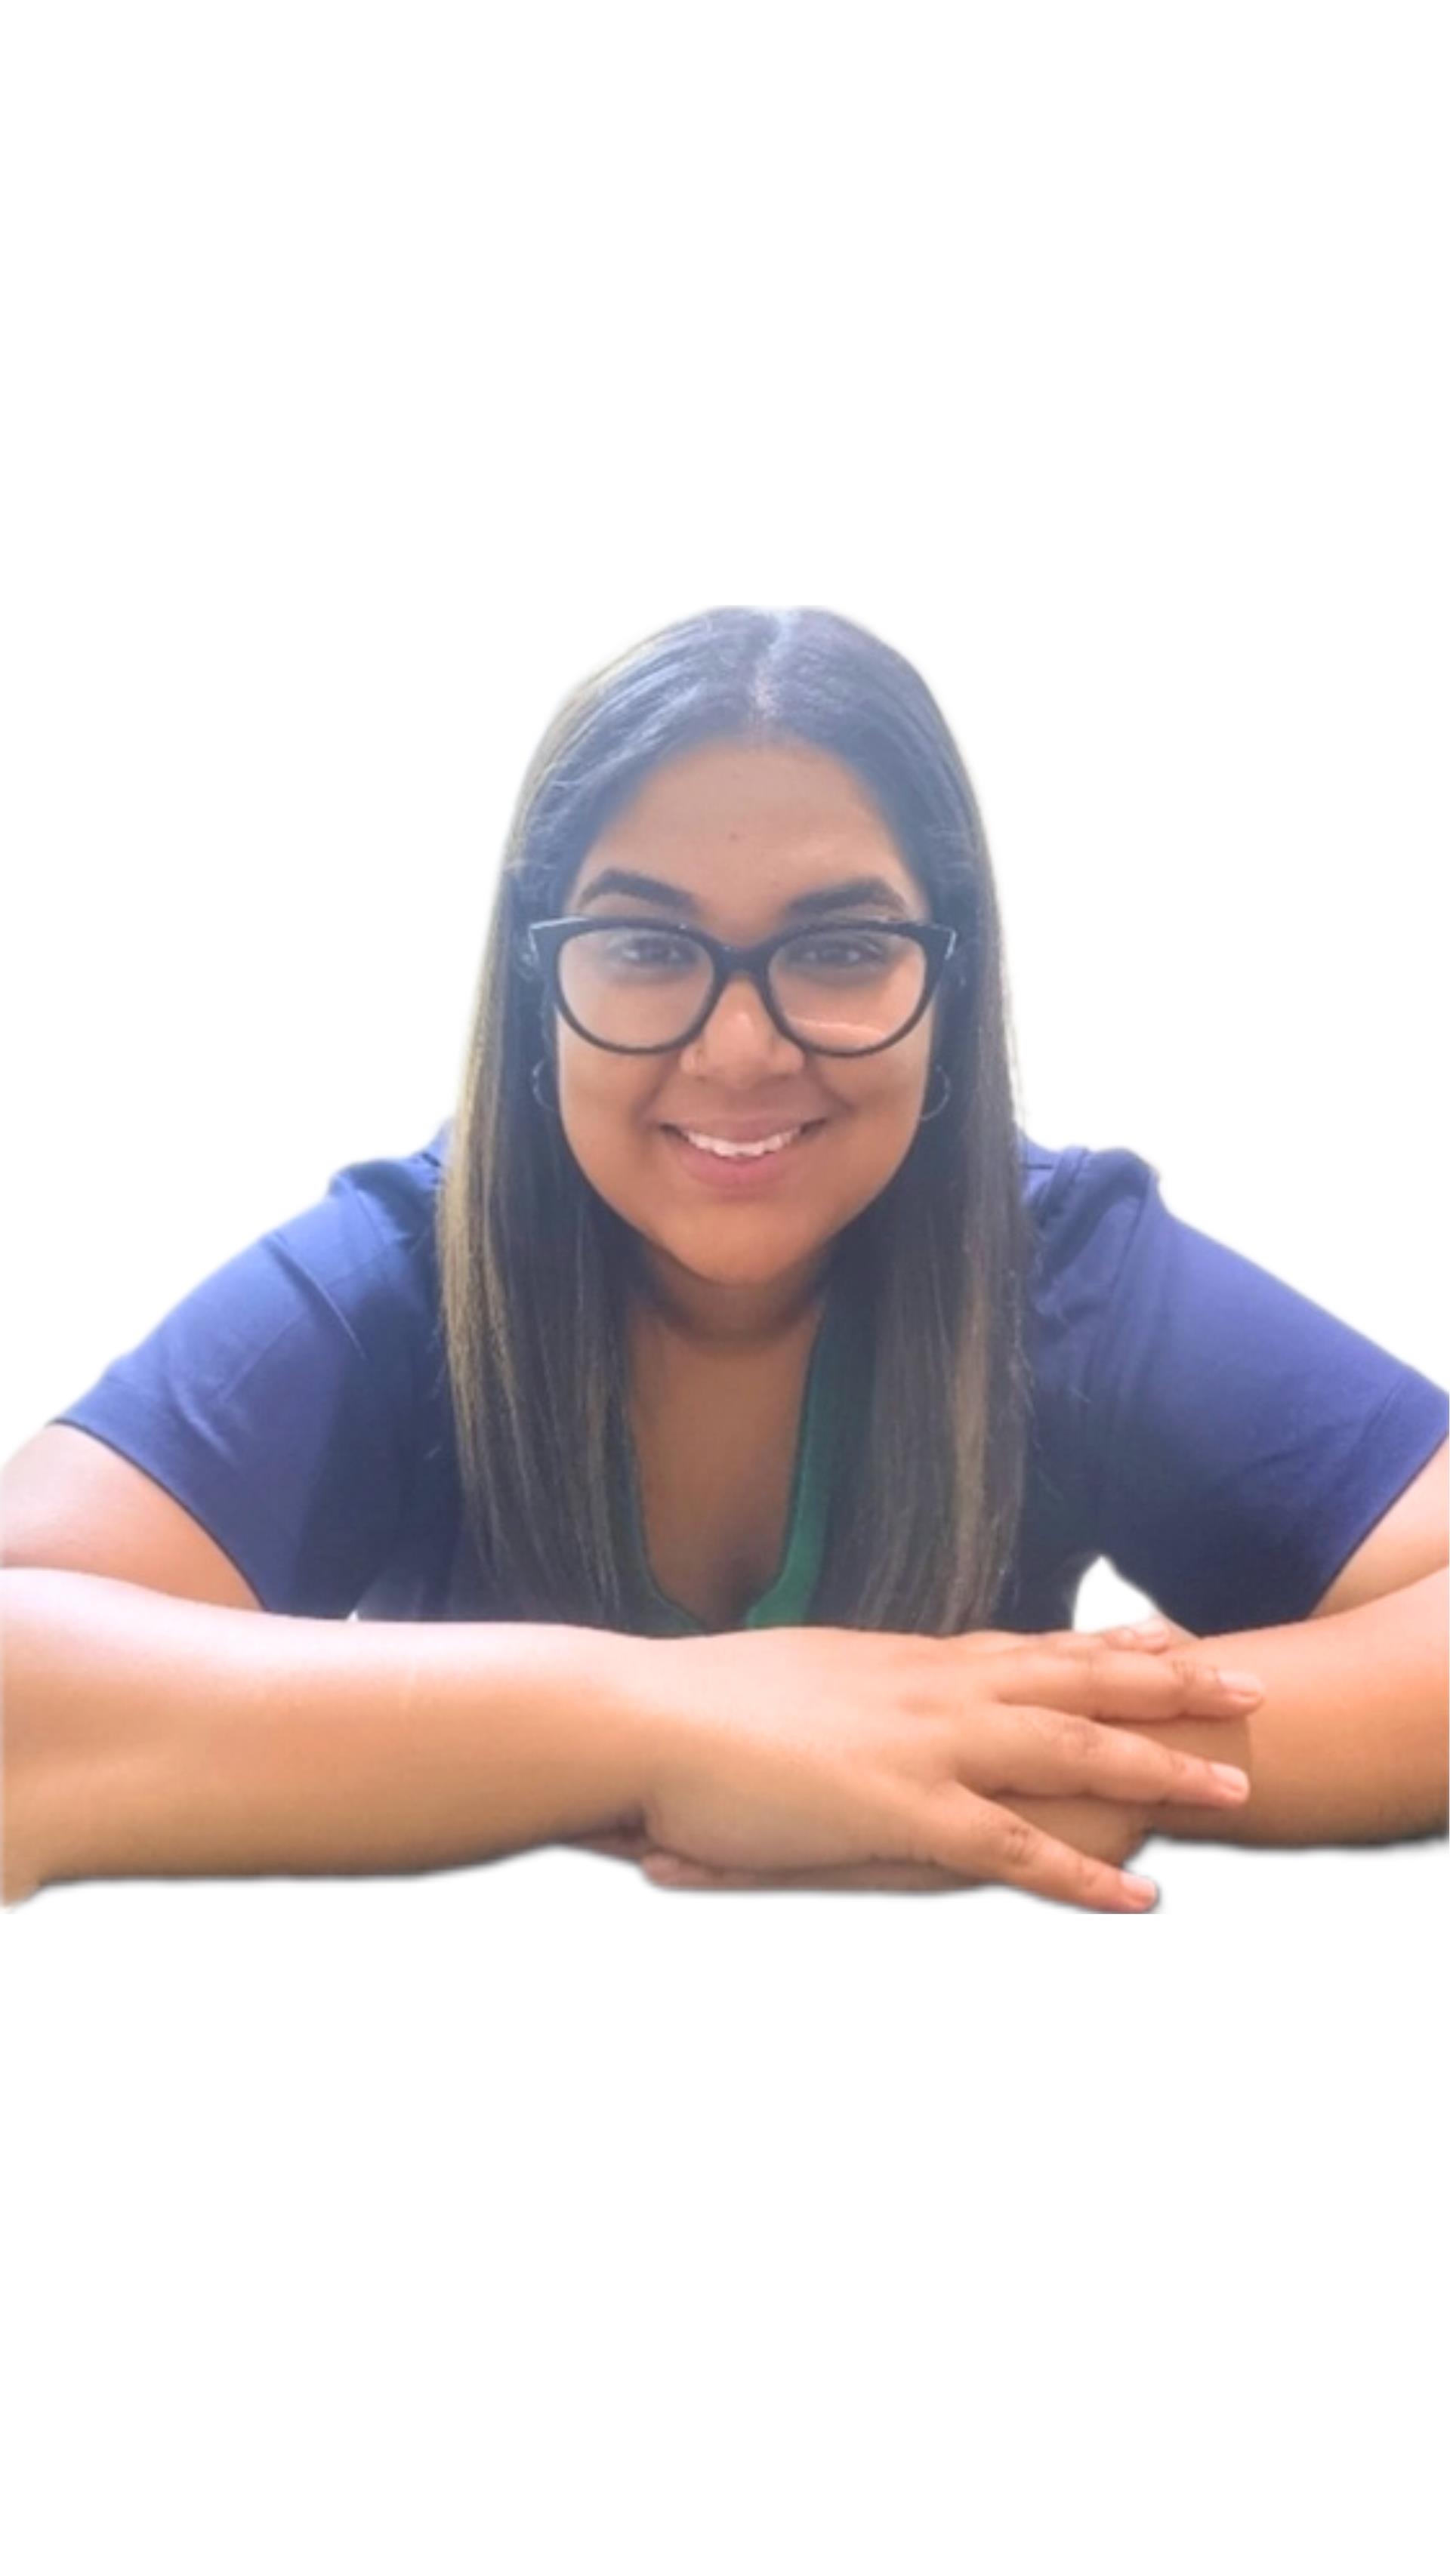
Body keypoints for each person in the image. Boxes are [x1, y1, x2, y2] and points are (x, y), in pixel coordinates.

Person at [3, 607, 1446, 1909]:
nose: (740, 1046)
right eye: (644, 947)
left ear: (949, 976)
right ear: (537, 981)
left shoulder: (1063, 1275)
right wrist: (676, 1726)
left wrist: (1055, 1757)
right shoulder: (400, 1278)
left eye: (840, 948)